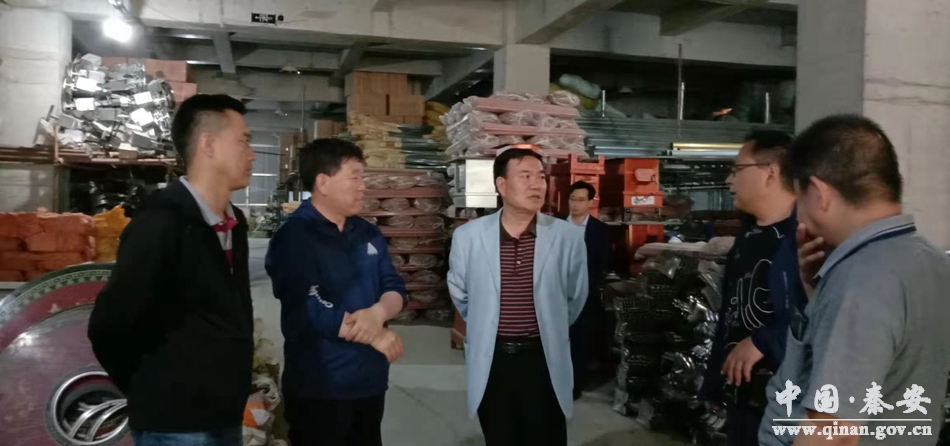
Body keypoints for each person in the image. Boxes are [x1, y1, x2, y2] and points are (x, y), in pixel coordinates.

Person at [759, 115, 950, 446]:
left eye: (799, 201)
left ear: (820, 193)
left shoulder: (863, 279)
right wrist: (816, 292)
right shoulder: (930, 260)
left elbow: (833, 433)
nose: (799, 217)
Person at [88, 94, 256, 446]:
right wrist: (153, 388)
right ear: (208, 145)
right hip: (174, 425)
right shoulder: (161, 224)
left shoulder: (233, 223)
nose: (252, 154)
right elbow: (110, 325)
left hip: (223, 415)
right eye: (243, 141)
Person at [266, 139, 406, 446]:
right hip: (320, 385)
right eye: (355, 177)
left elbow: (394, 286)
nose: (363, 187)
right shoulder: (295, 236)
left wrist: (379, 312)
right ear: (323, 182)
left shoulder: (367, 233)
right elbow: (309, 306)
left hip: (369, 381)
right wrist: (374, 334)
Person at [447, 148, 588, 446]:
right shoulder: (469, 237)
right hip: (493, 359)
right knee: (500, 435)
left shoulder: (567, 237)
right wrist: (488, 323)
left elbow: (575, 297)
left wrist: (549, 325)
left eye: (541, 177)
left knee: (547, 436)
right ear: (501, 184)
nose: (536, 185)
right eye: (525, 176)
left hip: (544, 359)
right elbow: (460, 293)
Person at [698, 130, 797, 445]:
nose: (729, 180)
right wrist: (714, 383)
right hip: (741, 397)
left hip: (786, 401)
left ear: (770, 172)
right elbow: (730, 313)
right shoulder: (748, 237)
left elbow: (826, 322)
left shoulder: (805, 238)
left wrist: (764, 340)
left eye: (737, 169)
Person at [565, 180, 611, 399]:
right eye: (572, 199)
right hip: (556, 293)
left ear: (591, 202)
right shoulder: (554, 226)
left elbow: (603, 261)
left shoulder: (599, 230)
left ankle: (574, 385)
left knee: (580, 339)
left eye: (580, 200)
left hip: (585, 293)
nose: (575, 204)